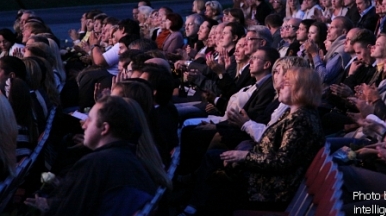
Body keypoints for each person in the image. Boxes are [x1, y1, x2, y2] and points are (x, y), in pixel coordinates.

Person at [181, 67, 325, 215]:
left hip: (270, 188)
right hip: (265, 175)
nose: (279, 85)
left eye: (286, 83)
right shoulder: (296, 113)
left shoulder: (301, 119)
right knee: (215, 158)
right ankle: (191, 204)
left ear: (301, 88)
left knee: (217, 176)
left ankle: (192, 208)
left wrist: (244, 157)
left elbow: (282, 161)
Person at [25, 96, 159, 216]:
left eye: (89, 119)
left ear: (104, 128)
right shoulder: (130, 160)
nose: (84, 125)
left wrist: (47, 206)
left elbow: (71, 211)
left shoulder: (96, 163)